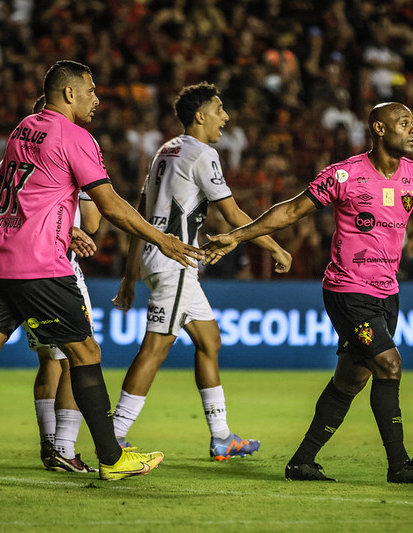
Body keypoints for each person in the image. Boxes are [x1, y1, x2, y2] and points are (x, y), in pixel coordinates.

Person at [0, 60, 204, 481]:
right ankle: (112, 457)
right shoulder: (74, 136)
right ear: (69, 93)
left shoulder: (23, 129)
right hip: (40, 266)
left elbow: (30, 195)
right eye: (91, 91)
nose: (96, 100)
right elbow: (110, 205)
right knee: (86, 353)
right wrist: (163, 239)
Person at [204, 102, 413, 482]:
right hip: (348, 293)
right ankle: (399, 465)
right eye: (404, 123)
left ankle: (301, 462)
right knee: (389, 365)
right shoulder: (344, 175)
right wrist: (237, 235)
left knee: (351, 379)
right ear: (379, 128)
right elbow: (293, 211)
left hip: (387, 293)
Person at [110, 82, 292, 460]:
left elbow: (140, 216)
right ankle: (113, 435)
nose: (225, 117)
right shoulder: (202, 154)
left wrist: (130, 276)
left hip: (159, 258)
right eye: (219, 109)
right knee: (156, 348)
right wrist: (275, 246)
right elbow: (233, 215)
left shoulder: (165, 150)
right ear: (200, 116)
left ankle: (222, 436)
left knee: (209, 342)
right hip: (174, 261)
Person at [0, 103, 101, 474]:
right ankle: (64, 448)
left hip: (9, 265)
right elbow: (94, 223)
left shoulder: (7, 162)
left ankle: (49, 444)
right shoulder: (72, 148)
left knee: (49, 361)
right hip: (54, 267)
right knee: (78, 358)